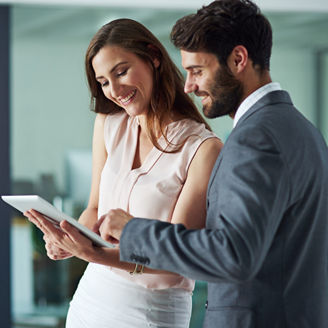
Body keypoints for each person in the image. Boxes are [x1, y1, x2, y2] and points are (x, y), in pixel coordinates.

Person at [98, 1, 328, 328]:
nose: (189, 86)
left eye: (197, 71)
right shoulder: (303, 130)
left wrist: (132, 231)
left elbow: (233, 254)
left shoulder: (256, 138)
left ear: (238, 60)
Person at [25, 18, 222, 328]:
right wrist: (68, 238)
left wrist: (93, 254)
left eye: (121, 72)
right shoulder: (109, 122)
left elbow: (178, 260)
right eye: (103, 81)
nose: (114, 90)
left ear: (153, 57)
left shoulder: (202, 149)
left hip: (151, 312)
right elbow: (94, 209)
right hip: (91, 300)